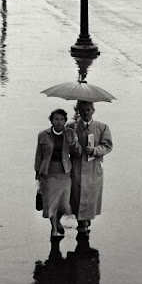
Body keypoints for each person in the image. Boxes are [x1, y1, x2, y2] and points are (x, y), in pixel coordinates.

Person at [69, 101, 113, 236]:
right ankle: (82, 224)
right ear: (78, 111)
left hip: (94, 169)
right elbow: (66, 147)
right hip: (76, 167)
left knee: (90, 196)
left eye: (88, 110)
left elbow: (107, 146)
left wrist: (94, 150)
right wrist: (75, 146)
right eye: (82, 110)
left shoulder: (102, 127)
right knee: (76, 196)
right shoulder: (71, 127)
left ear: (93, 110)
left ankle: (86, 222)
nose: (85, 113)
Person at [35, 109, 77, 238]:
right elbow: (39, 155)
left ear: (65, 121)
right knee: (51, 202)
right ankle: (54, 228)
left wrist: (74, 143)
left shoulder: (70, 133)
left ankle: (58, 221)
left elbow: (77, 152)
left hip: (64, 172)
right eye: (56, 119)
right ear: (51, 121)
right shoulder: (43, 135)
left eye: (62, 119)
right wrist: (37, 173)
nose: (59, 122)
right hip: (48, 172)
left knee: (64, 203)